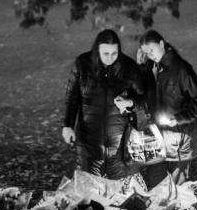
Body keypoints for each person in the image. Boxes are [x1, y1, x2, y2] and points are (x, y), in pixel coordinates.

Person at [62, 29, 145, 179]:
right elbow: (72, 97)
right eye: (105, 54)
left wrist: (130, 102)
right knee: (90, 190)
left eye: (114, 54)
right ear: (97, 50)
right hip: (88, 141)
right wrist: (67, 125)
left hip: (120, 144)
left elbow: (144, 99)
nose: (110, 58)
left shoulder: (129, 67)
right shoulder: (82, 64)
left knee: (117, 193)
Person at [136, 30, 197, 185]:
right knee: (158, 185)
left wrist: (178, 118)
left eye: (152, 50)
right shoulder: (151, 69)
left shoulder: (181, 70)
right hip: (158, 138)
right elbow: (143, 94)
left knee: (177, 187)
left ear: (162, 44)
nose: (150, 55)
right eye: (146, 52)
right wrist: (141, 68)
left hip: (180, 138)